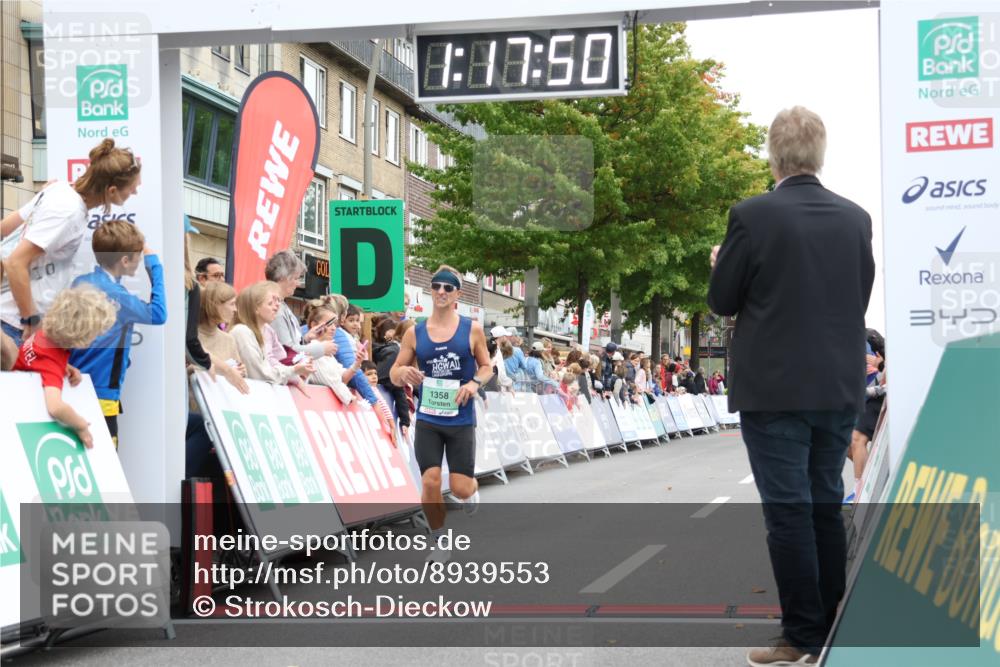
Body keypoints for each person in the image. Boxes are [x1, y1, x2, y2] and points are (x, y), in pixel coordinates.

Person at [707, 105, 875, 665]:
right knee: (824, 503)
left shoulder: (752, 216)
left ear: (773, 155)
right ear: (819, 154)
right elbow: (860, 294)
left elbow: (722, 300)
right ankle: (830, 622)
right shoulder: (856, 218)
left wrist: (719, 263)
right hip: (837, 382)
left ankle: (802, 634)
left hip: (774, 387)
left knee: (788, 509)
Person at [390, 265, 492, 564]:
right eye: (436, 286)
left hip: (460, 419)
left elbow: (486, 367)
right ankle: (439, 541)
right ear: (431, 290)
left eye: (448, 287)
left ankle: (471, 491)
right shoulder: (415, 332)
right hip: (429, 419)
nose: (441, 292)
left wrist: (474, 383)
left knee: (459, 487)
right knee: (431, 481)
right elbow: (394, 373)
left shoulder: (471, 329)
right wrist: (404, 372)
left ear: (457, 293)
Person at [1, 139, 141, 346]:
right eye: (132, 188)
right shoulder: (68, 211)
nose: (135, 193)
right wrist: (30, 318)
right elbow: (15, 263)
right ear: (111, 190)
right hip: (14, 324)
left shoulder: (59, 190)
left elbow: (6, 227)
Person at [67, 221, 167, 449]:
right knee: (106, 468)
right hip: (102, 394)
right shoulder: (118, 295)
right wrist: (155, 267)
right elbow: (158, 314)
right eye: (138, 256)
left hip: (74, 386)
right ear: (124, 261)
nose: (141, 259)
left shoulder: (80, 282)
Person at [12, 286, 117, 448]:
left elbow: (37, 361)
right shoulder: (51, 364)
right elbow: (55, 406)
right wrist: (80, 425)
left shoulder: (42, 335)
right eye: (95, 334)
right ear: (82, 335)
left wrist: (64, 366)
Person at [231, 281, 313, 385]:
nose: (277, 306)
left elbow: (271, 367)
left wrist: (298, 373)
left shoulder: (262, 332)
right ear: (255, 308)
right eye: (270, 303)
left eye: (278, 301)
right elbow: (259, 374)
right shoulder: (241, 332)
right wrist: (294, 370)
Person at [266, 250, 335, 361]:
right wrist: (321, 349)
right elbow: (286, 352)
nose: (298, 283)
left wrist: (306, 338)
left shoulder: (280, 305)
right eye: (296, 278)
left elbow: (288, 346)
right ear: (283, 277)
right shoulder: (275, 309)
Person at [846, 329, 886, 500]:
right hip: (863, 396)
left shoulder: (867, 338)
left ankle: (859, 491)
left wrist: (880, 364)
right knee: (844, 442)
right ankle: (866, 481)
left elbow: (886, 365)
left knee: (857, 439)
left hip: (879, 394)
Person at [197, 281, 249, 394]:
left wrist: (241, 371)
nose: (235, 309)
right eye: (232, 304)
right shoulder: (191, 339)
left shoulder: (229, 339)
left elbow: (239, 376)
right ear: (215, 305)